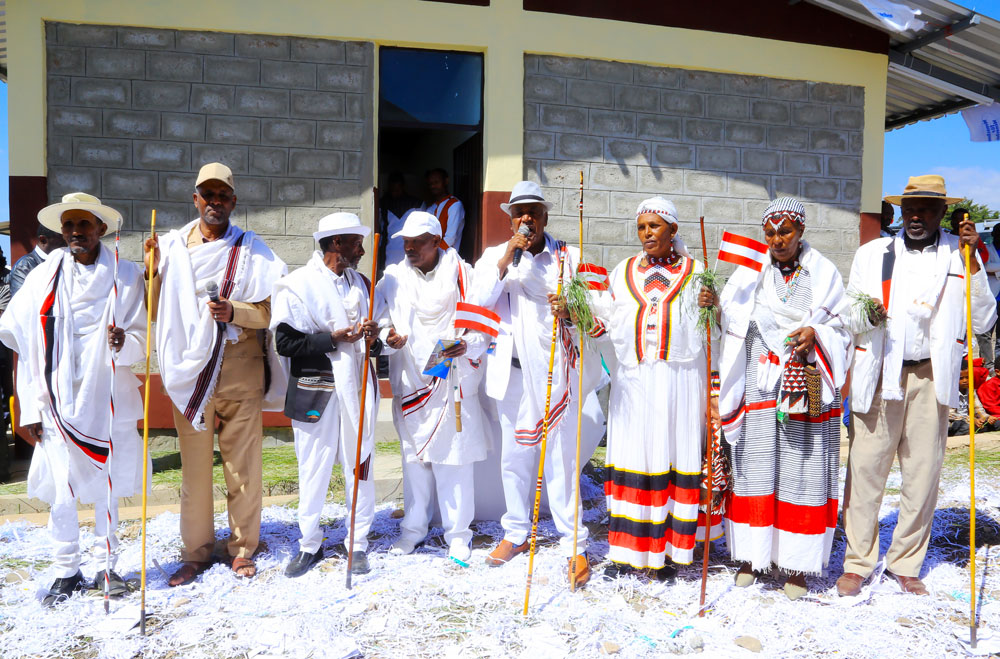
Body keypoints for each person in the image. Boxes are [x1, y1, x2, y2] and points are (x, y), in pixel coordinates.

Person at [838, 175, 996, 597]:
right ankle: (857, 562)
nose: (915, 215)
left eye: (927, 208)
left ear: (944, 212)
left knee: (922, 473)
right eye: (910, 207)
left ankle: (905, 563)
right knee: (867, 469)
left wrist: (974, 259)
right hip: (881, 372)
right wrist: (866, 315)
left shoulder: (958, 256)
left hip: (932, 375)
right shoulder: (874, 255)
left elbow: (982, 321)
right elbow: (848, 317)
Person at [0, 192, 148, 606]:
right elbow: (24, 347)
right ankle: (66, 570)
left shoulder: (126, 274)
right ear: (61, 231)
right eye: (69, 226)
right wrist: (27, 406)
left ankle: (106, 567)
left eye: (84, 224)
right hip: (55, 400)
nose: (76, 232)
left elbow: (140, 338)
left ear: (101, 228)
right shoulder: (41, 279)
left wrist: (124, 342)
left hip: (109, 397)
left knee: (107, 484)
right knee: (61, 489)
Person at [144, 163, 287, 586]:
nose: (215, 202)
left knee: (243, 467)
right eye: (208, 194)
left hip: (240, 369)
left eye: (223, 195)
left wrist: (233, 311)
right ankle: (195, 553)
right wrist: (151, 270)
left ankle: (243, 549)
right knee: (193, 470)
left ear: (233, 201)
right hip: (190, 372)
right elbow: (153, 310)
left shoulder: (253, 251)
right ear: (196, 200)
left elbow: (269, 311)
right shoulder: (170, 249)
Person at [705, 197, 852, 600]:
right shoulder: (749, 272)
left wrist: (816, 334)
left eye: (785, 231)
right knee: (755, 466)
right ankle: (753, 558)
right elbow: (731, 322)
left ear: (800, 231)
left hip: (807, 379)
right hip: (758, 383)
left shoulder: (824, 274)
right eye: (770, 233)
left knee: (800, 469)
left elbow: (842, 326)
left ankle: (796, 565)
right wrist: (713, 307)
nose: (777, 240)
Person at [472, 181, 602, 586]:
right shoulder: (497, 257)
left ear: (546, 216)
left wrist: (573, 308)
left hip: (557, 373)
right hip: (512, 373)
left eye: (533, 212)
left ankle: (573, 543)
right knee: (515, 456)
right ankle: (515, 533)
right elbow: (477, 301)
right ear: (510, 217)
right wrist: (509, 256)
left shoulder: (570, 257)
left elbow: (598, 311)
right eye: (518, 212)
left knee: (561, 460)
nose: (526, 218)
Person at [593, 197, 721, 582]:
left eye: (655, 226)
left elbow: (716, 332)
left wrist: (711, 306)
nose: (647, 234)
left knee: (669, 455)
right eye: (641, 227)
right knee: (635, 456)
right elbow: (609, 316)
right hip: (634, 381)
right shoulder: (624, 270)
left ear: (673, 230)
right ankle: (626, 550)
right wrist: (579, 310)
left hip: (678, 382)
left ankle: (667, 552)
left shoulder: (697, 274)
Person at [271, 212, 384, 578]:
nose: (362, 249)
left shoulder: (362, 285)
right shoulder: (297, 285)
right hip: (315, 390)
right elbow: (285, 343)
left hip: (358, 388)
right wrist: (333, 339)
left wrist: (373, 337)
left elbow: (377, 342)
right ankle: (309, 544)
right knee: (314, 468)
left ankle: (358, 542)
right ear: (337, 243)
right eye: (356, 242)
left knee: (359, 464)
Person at [376, 211, 490, 564]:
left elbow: (481, 324)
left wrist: (468, 345)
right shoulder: (393, 279)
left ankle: (458, 535)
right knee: (414, 461)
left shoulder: (464, 275)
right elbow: (379, 320)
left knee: (454, 460)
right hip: (411, 381)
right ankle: (413, 530)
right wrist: (387, 337)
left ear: (437, 242)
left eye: (417, 243)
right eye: (405, 243)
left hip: (451, 380)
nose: (409, 249)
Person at [10, 223, 68, 296]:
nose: (66, 243)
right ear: (43, 240)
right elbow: (21, 302)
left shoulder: (66, 261)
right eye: (61, 238)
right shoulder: (24, 266)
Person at [380, 171, 421, 268]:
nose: (395, 192)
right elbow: (379, 230)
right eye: (393, 190)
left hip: (410, 250)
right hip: (388, 251)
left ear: (403, 187)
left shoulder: (416, 204)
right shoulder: (382, 204)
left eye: (397, 190)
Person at [948, 362, 997, 436]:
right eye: (961, 378)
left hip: (971, 421)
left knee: (996, 424)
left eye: (967, 377)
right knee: (962, 426)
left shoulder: (971, 391)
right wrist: (971, 419)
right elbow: (950, 414)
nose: (965, 381)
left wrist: (988, 418)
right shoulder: (950, 393)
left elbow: (978, 410)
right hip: (956, 422)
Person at [976, 223, 1000, 376]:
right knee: (985, 334)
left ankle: (998, 365)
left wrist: (995, 271)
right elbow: (983, 266)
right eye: (998, 233)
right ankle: (988, 367)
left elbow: (992, 268)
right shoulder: (987, 249)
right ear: (993, 235)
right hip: (990, 296)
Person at [422, 169, 465, 252]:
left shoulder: (454, 205)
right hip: (431, 259)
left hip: (448, 258)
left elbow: (450, 239)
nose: (433, 186)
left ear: (446, 181)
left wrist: (431, 255)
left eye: (436, 182)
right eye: (430, 184)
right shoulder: (431, 208)